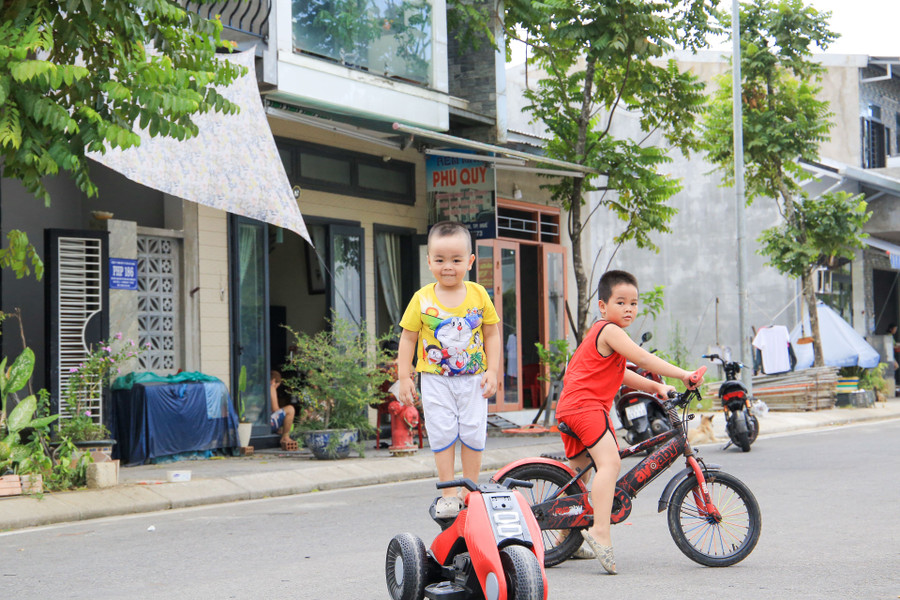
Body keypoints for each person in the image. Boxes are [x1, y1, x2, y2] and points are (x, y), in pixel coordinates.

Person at [555, 270, 703, 574]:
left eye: (633, 303)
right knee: (610, 464)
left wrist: (656, 387)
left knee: (581, 473)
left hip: (575, 406)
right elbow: (645, 360)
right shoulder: (610, 330)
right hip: (585, 408)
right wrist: (684, 375)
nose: (628, 309)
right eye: (620, 302)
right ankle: (600, 531)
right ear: (602, 306)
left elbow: (620, 373)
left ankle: (562, 537)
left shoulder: (603, 335)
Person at [397, 221, 501, 518]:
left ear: (469, 261)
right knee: (441, 432)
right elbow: (408, 337)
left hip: (474, 379)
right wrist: (404, 377)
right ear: (428, 260)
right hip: (435, 380)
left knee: (473, 431)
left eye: (456, 260)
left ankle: (470, 491)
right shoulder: (422, 299)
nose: (448, 267)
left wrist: (492, 371)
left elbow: (492, 334)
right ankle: (448, 493)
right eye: (440, 260)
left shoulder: (479, 294)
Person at [269, 370, 297, 450]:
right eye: (278, 385)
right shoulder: (271, 387)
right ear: (274, 381)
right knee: (290, 409)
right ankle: (285, 436)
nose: (276, 387)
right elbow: (275, 409)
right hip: (269, 424)